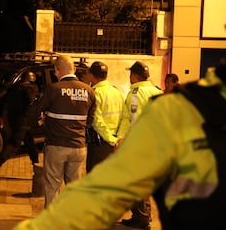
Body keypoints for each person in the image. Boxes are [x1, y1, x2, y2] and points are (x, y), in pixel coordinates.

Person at [14, 58, 226, 230]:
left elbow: (110, 120)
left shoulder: (61, 89)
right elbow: (93, 117)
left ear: (58, 71)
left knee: (54, 186)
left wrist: (114, 139)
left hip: (89, 143)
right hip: (82, 146)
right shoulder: (107, 91)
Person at [32, 54, 96, 207]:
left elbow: (34, 112)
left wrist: (42, 120)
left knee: (52, 187)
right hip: (79, 147)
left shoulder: (53, 89)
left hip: (56, 146)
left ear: (57, 71)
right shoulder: (88, 91)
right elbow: (90, 120)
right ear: (73, 69)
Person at [116, 61, 163, 229]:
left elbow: (129, 120)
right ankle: (144, 216)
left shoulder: (135, 94)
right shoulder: (158, 92)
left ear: (134, 76)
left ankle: (141, 218)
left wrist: (120, 138)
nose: (129, 77)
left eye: (131, 74)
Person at [0, 71, 40, 186]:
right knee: (14, 143)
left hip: (12, 118)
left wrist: (0, 115)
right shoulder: (30, 88)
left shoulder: (14, 87)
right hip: (23, 120)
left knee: (29, 141)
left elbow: (2, 101)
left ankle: (37, 166)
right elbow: (32, 105)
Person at [85, 61, 125, 173]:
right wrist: (118, 139)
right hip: (116, 143)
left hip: (100, 145)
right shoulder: (117, 92)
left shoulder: (95, 93)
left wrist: (111, 140)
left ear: (91, 76)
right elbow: (124, 117)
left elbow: (96, 121)